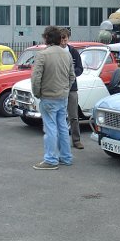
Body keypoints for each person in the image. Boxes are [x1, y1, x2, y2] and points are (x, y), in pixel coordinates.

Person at [31, 26, 75, 170]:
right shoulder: (66, 54)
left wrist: (37, 93)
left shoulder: (42, 55)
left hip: (48, 96)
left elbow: (36, 78)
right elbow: (72, 76)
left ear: (46, 38)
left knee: (50, 128)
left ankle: (51, 159)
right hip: (63, 96)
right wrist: (65, 89)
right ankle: (66, 157)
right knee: (62, 126)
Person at [60, 28, 84, 149]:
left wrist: (72, 73)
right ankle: (61, 141)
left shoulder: (73, 51)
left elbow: (80, 68)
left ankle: (76, 140)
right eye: (61, 39)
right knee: (59, 116)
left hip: (72, 88)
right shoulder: (56, 51)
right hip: (58, 88)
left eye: (65, 39)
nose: (63, 42)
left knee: (73, 116)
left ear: (68, 39)